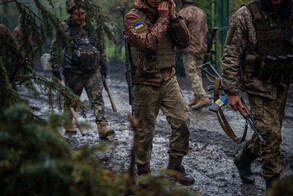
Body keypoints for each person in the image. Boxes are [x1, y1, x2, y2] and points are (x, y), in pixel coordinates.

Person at [221, 0, 293, 190]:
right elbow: (231, 54)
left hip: (282, 81)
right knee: (271, 133)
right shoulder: (244, 16)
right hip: (256, 84)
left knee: (268, 131)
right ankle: (273, 184)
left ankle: (244, 158)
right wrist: (232, 91)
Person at [124, 0, 195, 185]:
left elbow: (185, 42)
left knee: (182, 120)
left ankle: (174, 169)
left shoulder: (167, 14)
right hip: (145, 82)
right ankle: (143, 173)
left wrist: (173, 18)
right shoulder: (133, 17)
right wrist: (163, 19)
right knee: (144, 131)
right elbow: (148, 44)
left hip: (168, 78)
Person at [50, 0, 115, 139]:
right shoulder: (64, 28)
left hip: (93, 70)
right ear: (70, 13)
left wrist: (104, 64)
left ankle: (102, 127)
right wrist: (55, 69)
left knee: (97, 98)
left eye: (82, 13)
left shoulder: (94, 27)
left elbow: (101, 47)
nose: (80, 17)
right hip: (73, 72)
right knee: (72, 100)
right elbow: (56, 49)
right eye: (76, 14)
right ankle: (68, 122)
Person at [178, 0, 211, 110]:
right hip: (201, 47)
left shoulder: (183, 13)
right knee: (198, 72)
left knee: (191, 73)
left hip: (190, 48)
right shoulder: (200, 12)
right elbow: (205, 29)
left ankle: (202, 96)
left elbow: (181, 32)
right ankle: (197, 97)